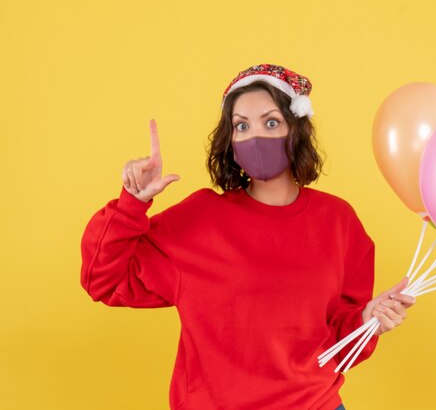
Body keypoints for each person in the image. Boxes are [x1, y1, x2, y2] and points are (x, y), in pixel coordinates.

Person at [81, 64, 415, 410]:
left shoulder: (338, 222)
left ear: (295, 130)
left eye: (271, 122)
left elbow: (336, 347)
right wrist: (132, 203)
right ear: (231, 141)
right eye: (242, 126)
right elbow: (103, 280)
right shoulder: (200, 220)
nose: (256, 137)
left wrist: (367, 321)